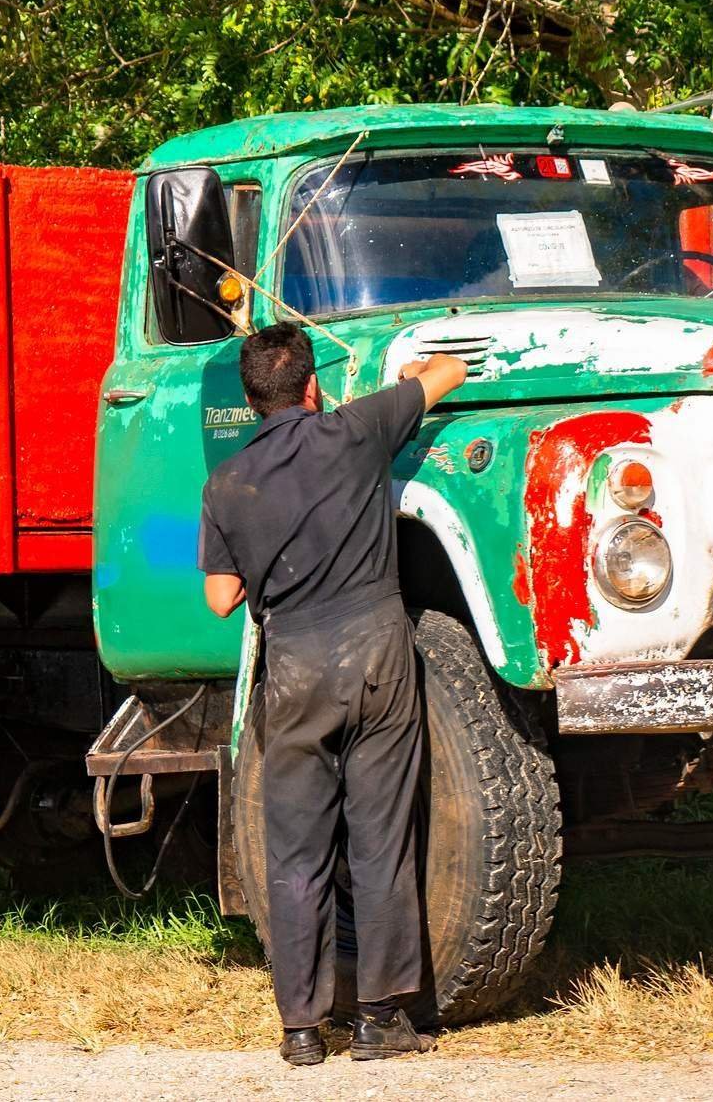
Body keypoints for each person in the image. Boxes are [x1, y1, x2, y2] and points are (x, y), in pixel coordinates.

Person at [198, 323, 469, 1067]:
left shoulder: (226, 484)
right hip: (378, 652)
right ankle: (381, 1021)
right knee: (380, 838)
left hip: (292, 669)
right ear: (311, 384)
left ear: (252, 399)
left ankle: (303, 1030)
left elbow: (221, 598)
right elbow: (452, 372)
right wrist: (413, 371)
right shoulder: (357, 428)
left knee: (297, 852)